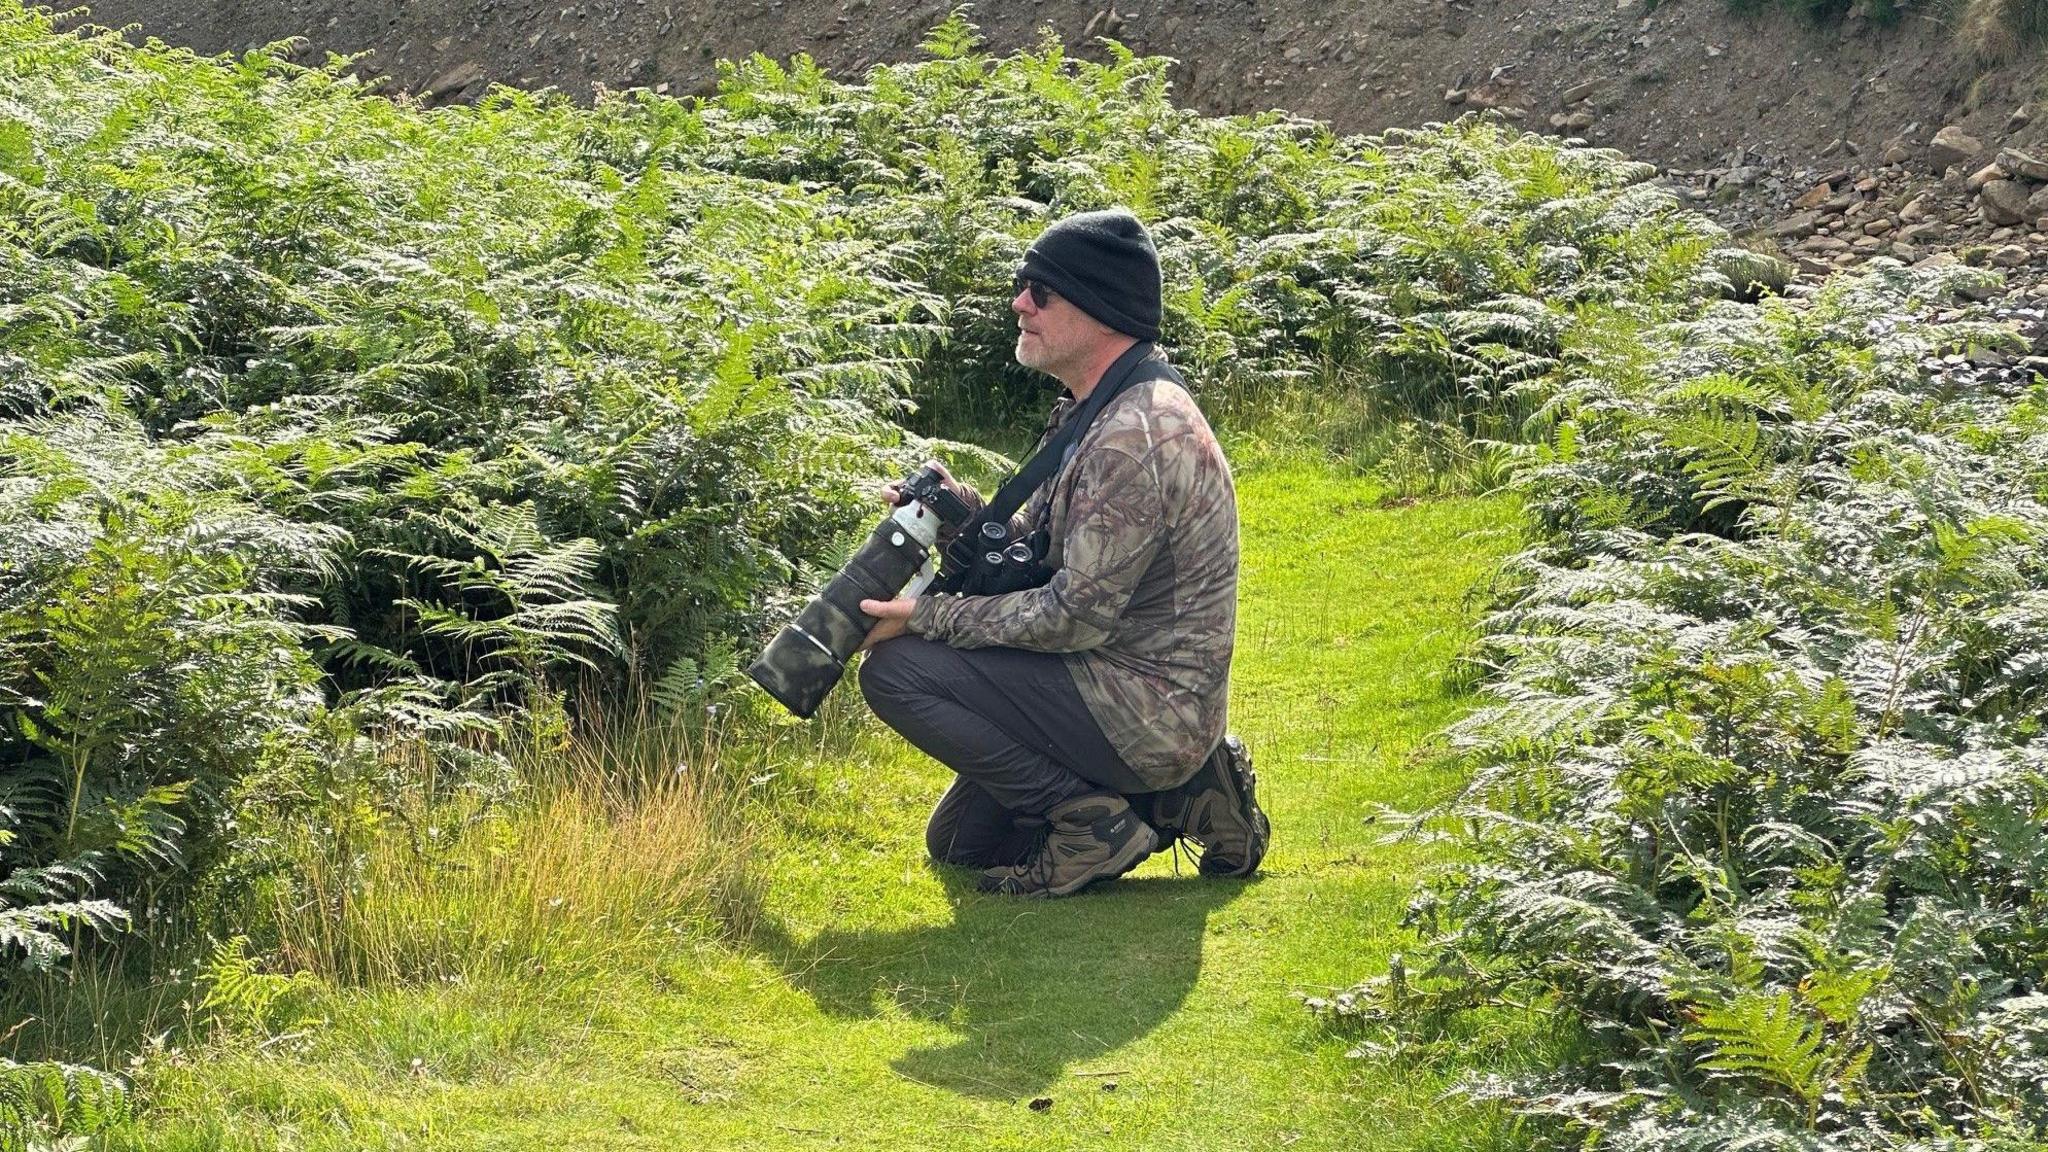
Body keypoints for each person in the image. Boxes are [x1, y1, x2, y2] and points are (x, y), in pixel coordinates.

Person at [855, 207, 1268, 898]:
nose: (1020, 302)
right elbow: (1050, 556)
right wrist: (966, 519)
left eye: (1041, 291)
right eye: (1024, 284)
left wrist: (924, 617)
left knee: (895, 670)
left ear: (1100, 310)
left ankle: (1095, 823)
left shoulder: (1131, 438)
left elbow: (1072, 615)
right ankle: (1186, 796)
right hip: (1123, 685)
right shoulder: (1104, 404)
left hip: (1141, 704)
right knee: (959, 844)